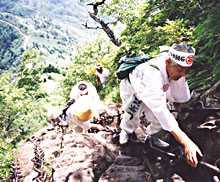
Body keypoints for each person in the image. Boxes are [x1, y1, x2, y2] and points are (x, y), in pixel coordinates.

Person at [119, 43, 202, 167]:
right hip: (133, 88)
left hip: (155, 89)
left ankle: (151, 136)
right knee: (132, 113)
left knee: (160, 118)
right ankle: (126, 131)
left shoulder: (174, 67)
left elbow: (182, 96)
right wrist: (186, 142)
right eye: (180, 69)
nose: (183, 74)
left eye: (186, 70)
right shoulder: (151, 74)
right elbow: (160, 110)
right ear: (168, 62)